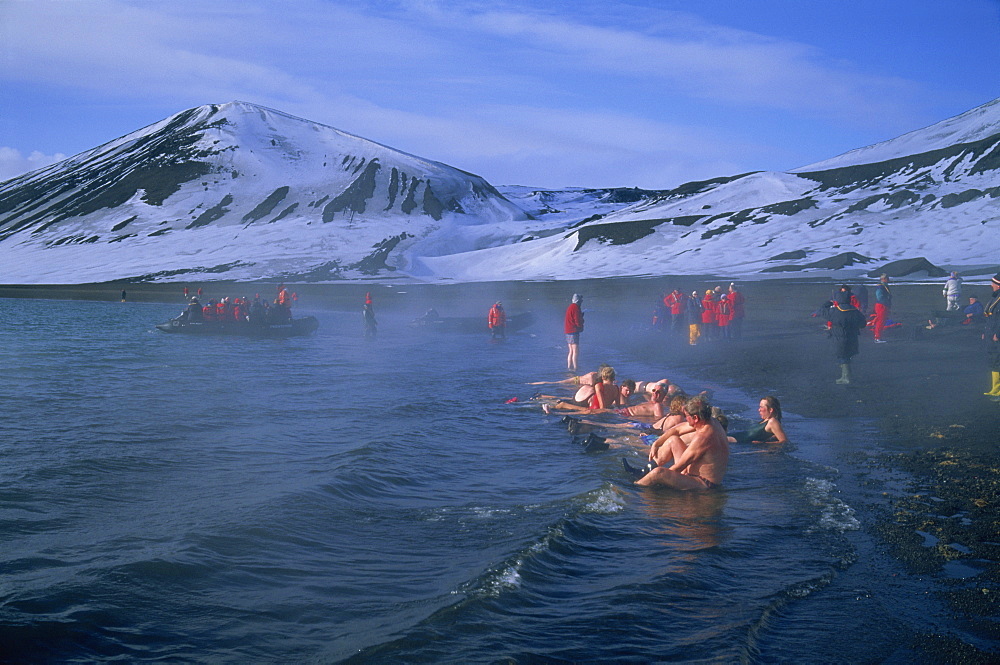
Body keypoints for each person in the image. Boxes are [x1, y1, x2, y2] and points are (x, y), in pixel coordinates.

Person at [624, 396, 729, 490]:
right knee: (673, 440)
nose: (684, 418)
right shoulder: (710, 421)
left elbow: (679, 467)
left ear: (695, 418)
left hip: (703, 483)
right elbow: (677, 430)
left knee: (658, 473)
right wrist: (656, 443)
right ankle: (645, 471)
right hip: (692, 473)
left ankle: (635, 487)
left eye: (686, 415)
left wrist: (661, 477)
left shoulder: (704, 437)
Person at [828, 289, 867, 384]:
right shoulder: (854, 311)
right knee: (848, 355)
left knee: (843, 356)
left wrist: (828, 303)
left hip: (840, 337)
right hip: (852, 336)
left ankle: (846, 377)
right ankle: (846, 376)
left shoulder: (835, 311)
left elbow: (824, 313)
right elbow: (863, 324)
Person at [983, 274, 1000, 399]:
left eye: (993, 283)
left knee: (998, 360)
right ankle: (994, 388)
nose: (991, 285)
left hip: (996, 335)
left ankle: (998, 389)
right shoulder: (994, 298)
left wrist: (998, 334)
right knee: (994, 360)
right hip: (990, 333)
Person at [564, 294, 584, 371]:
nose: (582, 302)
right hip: (573, 331)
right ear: (578, 300)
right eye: (581, 300)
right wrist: (581, 326)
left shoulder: (570, 307)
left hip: (568, 331)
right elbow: (577, 321)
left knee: (571, 351)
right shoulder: (576, 308)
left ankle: (569, 367)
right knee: (576, 351)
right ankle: (576, 368)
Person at [873, 274, 892, 343]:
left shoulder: (883, 286)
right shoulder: (881, 287)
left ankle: (878, 337)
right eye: (887, 278)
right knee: (880, 321)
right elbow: (880, 296)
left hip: (883, 305)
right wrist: (885, 301)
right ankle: (877, 337)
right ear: (883, 279)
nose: (888, 279)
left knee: (882, 321)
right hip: (882, 305)